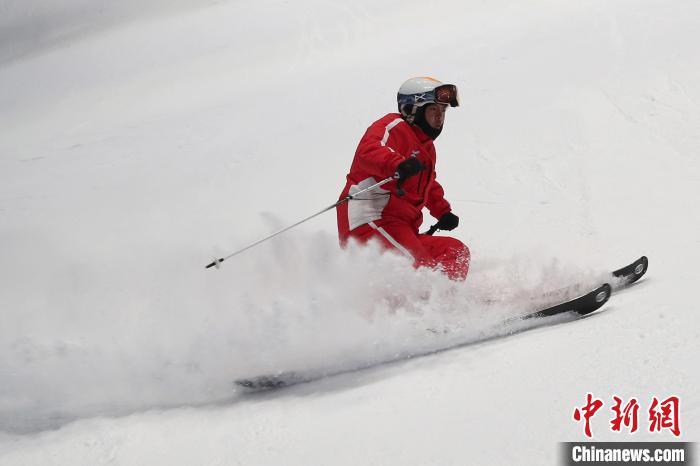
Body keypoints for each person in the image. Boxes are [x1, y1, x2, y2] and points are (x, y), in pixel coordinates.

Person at [337, 77, 470, 281]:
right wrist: (397, 164)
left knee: (455, 252)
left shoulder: (426, 147)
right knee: (421, 270)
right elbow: (370, 150)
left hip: (400, 226)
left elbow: (427, 182)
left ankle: (447, 302)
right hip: (370, 221)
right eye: (433, 110)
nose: (439, 117)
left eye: (443, 111)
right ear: (412, 109)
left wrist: (442, 211)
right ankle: (432, 307)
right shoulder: (393, 126)